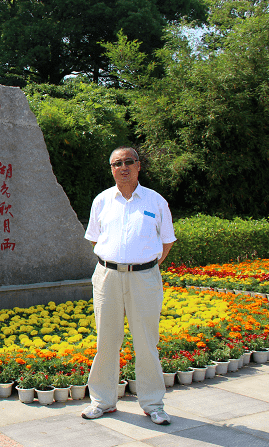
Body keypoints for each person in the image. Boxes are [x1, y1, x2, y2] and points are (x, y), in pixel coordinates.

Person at [81, 146, 176, 425]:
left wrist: (145, 266)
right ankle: (102, 401)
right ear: (111, 169)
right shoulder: (101, 200)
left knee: (147, 343)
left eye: (128, 162)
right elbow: (95, 239)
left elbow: (167, 241)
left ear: (138, 166)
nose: (123, 167)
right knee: (106, 341)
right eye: (116, 163)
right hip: (107, 276)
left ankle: (153, 404)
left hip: (144, 278)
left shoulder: (155, 201)